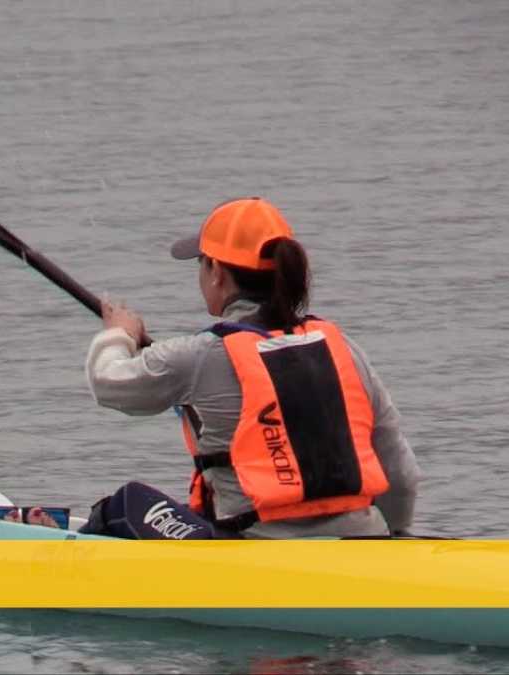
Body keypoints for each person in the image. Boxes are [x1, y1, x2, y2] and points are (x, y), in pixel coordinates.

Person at [85, 197, 420, 539]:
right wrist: (391, 539)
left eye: (201, 264)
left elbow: (108, 382)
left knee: (126, 504)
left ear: (216, 273)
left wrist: (119, 333)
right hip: (365, 539)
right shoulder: (345, 349)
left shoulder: (200, 355)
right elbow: (400, 473)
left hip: (259, 549)